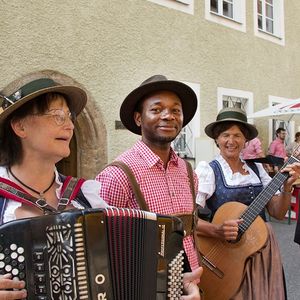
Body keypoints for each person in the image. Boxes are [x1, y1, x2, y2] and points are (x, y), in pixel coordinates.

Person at [0, 77, 200, 300]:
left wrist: (172, 284)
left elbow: (123, 269)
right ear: (20, 126)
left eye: (69, 116)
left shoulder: (85, 197)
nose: (70, 125)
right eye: (57, 116)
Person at [95, 75, 203, 287]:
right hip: (144, 287)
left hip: (191, 284)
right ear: (138, 118)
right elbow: (100, 247)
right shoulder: (118, 175)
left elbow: (191, 232)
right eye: (156, 109)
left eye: (175, 110)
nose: (168, 116)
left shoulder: (189, 172)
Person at [194, 107, 300, 299]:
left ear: (245, 141)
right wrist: (217, 230)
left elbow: (277, 213)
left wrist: (286, 188)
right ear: (217, 139)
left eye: (237, 135)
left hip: (262, 249)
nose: (231, 141)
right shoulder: (208, 171)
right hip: (226, 254)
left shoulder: (257, 169)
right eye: (225, 135)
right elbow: (189, 220)